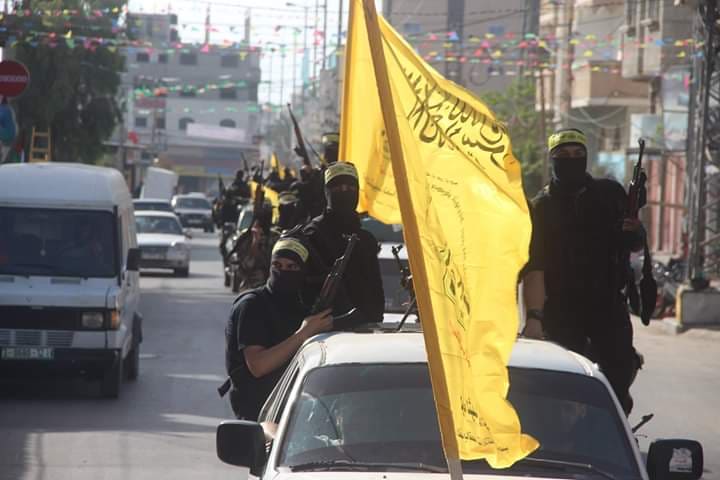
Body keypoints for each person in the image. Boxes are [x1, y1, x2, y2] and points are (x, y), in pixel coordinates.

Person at [522, 128, 645, 415]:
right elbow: (535, 268)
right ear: (552, 159)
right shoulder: (540, 208)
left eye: (578, 154)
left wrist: (635, 232)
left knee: (617, 381)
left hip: (608, 307)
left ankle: (611, 433)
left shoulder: (610, 194)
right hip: (561, 312)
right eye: (563, 155)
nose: (572, 160)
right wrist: (534, 318)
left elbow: (634, 242)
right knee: (561, 390)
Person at [225, 236, 333, 420]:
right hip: (258, 414)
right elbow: (258, 366)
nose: (283, 271)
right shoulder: (252, 305)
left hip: (296, 412)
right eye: (277, 265)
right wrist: (305, 333)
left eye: (292, 267)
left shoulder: (301, 305)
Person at [300, 162, 385, 327]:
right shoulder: (313, 234)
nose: (345, 191)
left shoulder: (366, 239)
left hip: (365, 331)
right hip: (323, 331)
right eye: (337, 187)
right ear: (326, 192)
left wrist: (373, 319)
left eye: (350, 187)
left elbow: (375, 290)